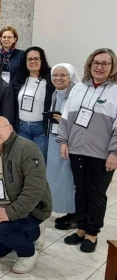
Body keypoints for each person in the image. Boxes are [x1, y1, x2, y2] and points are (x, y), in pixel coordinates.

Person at [58, 48, 117, 253]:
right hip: (77, 149)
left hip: (102, 154)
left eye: (105, 63)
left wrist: (114, 152)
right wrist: (63, 141)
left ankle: (92, 233)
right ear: (89, 65)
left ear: (112, 67)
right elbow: (65, 118)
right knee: (80, 191)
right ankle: (81, 228)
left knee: (96, 193)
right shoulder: (79, 88)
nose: (99, 67)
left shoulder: (115, 90)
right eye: (96, 63)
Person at [0, 116, 52, 274]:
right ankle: (29, 233)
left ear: (10, 128)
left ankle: (29, 253)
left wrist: (9, 213)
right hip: (0, 205)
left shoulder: (27, 149)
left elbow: (34, 188)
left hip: (30, 209)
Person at [46, 63, 80, 230]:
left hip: (69, 141)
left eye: (63, 75)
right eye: (55, 75)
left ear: (70, 77)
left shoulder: (76, 93)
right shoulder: (54, 92)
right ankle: (65, 210)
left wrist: (64, 121)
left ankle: (75, 214)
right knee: (56, 177)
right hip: (54, 138)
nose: (58, 78)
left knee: (69, 178)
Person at [12, 46, 54, 161]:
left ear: (42, 60)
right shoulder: (19, 79)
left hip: (41, 130)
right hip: (21, 128)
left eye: (36, 59)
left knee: (39, 163)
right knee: (23, 162)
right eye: (29, 59)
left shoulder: (50, 80)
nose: (33, 62)